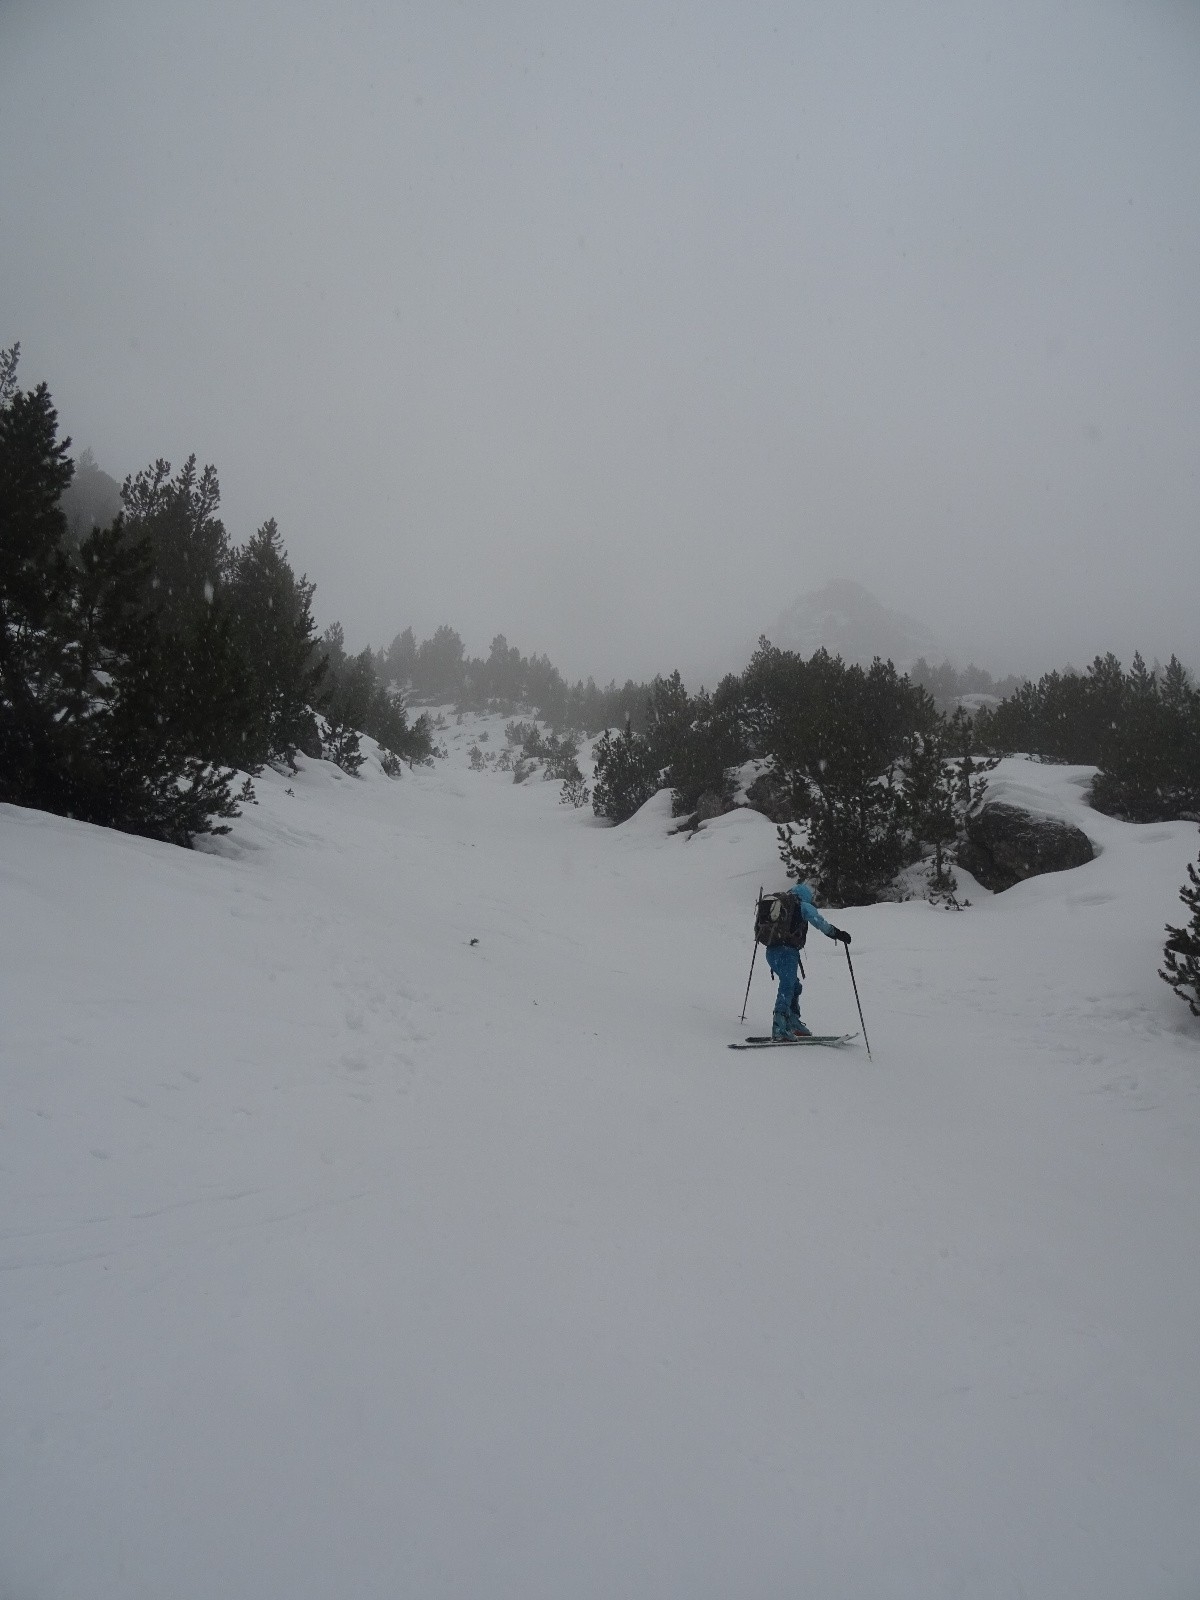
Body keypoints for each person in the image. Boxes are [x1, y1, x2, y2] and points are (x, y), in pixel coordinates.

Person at [765, 882, 851, 1039]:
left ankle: (792, 1021)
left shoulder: (779, 904)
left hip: (771, 951)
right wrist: (837, 933)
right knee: (788, 986)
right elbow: (819, 922)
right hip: (787, 952)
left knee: (794, 986)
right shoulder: (802, 905)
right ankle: (779, 1027)